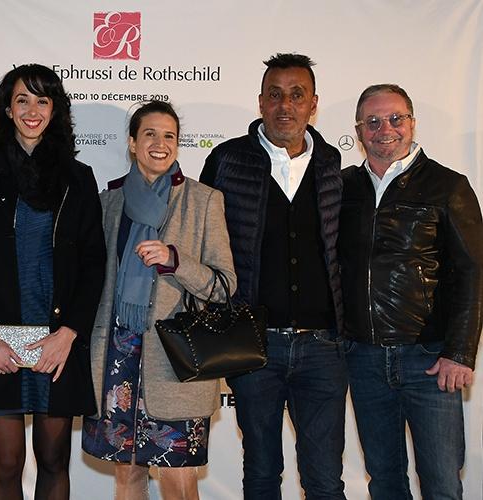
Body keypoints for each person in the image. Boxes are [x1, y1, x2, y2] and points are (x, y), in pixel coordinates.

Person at [0, 63, 106, 500]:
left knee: (54, 460)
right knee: (5, 465)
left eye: (43, 100)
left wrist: (69, 334)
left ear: (55, 109)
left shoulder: (78, 178)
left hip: (56, 344)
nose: (32, 110)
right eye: (22, 100)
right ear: (7, 108)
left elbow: (94, 263)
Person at [200, 53, 346, 499]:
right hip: (252, 345)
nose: (286, 105)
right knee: (262, 474)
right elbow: (204, 244)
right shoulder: (228, 160)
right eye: (275, 94)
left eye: (297, 95)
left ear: (313, 104)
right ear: (261, 101)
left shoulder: (332, 163)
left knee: (324, 479)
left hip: (323, 348)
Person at [82, 100, 236, 500]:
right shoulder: (108, 202)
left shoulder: (204, 200)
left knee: (179, 482)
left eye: (169, 135)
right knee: (127, 476)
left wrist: (176, 261)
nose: (160, 143)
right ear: (133, 143)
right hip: (116, 357)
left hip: (176, 362)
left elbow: (224, 286)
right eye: (149, 134)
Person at [339, 84, 483, 500]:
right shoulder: (343, 187)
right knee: (384, 481)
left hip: (430, 359)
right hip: (363, 358)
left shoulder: (448, 186)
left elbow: (472, 272)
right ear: (359, 131)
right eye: (373, 121)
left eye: (395, 118)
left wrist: (460, 352)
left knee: (441, 483)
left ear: (412, 123)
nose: (385, 129)